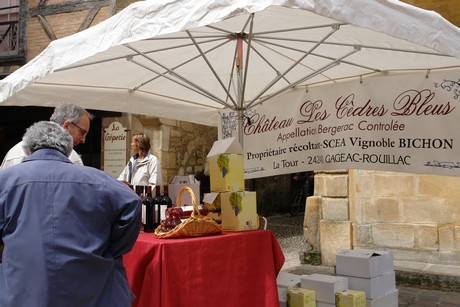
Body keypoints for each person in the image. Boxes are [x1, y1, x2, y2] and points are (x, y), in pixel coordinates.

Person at [0, 121, 142, 306]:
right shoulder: (98, 179)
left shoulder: (7, 179)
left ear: (29, 149)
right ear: (67, 150)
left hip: (24, 289)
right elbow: (133, 203)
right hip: (91, 289)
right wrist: (110, 248)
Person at [0, 102, 93, 169]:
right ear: (67, 125)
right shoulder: (73, 158)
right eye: (82, 132)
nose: (83, 140)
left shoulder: (16, 152)